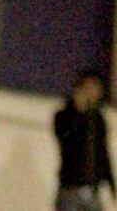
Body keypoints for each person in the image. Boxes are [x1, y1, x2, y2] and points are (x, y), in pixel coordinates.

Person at [54, 70, 116, 211]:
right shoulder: (64, 116)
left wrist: (111, 185)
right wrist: (78, 113)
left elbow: (103, 153)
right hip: (70, 188)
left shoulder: (98, 119)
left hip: (92, 189)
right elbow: (65, 141)